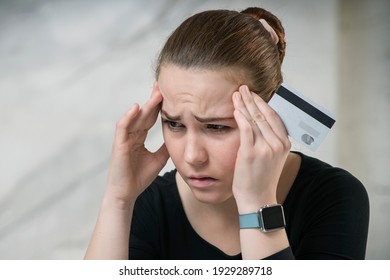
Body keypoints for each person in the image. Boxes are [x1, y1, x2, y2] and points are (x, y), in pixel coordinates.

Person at [84, 7, 369, 260]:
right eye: (174, 124)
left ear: (271, 117)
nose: (192, 156)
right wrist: (119, 200)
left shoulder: (334, 196)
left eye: (217, 127)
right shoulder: (147, 205)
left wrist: (258, 204)